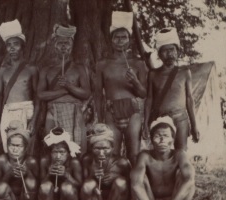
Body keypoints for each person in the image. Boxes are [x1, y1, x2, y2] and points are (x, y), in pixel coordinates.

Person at [94, 11, 147, 165]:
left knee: (134, 154)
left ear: (129, 40)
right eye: (116, 37)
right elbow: (98, 94)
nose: (120, 41)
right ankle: (116, 186)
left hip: (132, 109)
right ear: (111, 40)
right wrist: (100, 118)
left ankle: (134, 186)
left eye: (124, 37)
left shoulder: (138, 63)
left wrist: (136, 82)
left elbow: (143, 94)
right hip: (111, 110)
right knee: (113, 152)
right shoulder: (102, 64)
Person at [131, 116, 195, 200]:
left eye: (166, 136)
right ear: (151, 139)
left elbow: (190, 180)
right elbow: (136, 185)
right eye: (157, 136)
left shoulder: (179, 154)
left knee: (187, 179)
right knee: (138, 178)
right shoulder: (144, 156)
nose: (162, 140)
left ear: (172, 139)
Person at [38, 23, 91, 155]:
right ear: (54, 45)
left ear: (71, 46)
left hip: (74, 111)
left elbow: (86, 93)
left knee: (77, 150)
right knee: (52, 149)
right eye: (60, 43)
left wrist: (69, 85)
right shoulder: (47, 70)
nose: (63, 46)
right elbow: (41, 95)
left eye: (66, 43)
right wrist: (63, 91)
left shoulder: (79, 68)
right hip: (52, 111)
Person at [143, 27, 199, 151]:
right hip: (160, 121)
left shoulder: (185, 72)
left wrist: (194, 125)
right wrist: (146, 124)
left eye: (172, 50)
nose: (170, 54)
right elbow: (149, 99)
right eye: (165, 51)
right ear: (159, 54)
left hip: (180, 120)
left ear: (177, 51)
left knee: (181, 153)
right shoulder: (153, 74)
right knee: (161, 154)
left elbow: (189, 99)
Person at [0, 19, 40, 154]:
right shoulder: (3, 70)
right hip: (8, 111)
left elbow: (37, 97)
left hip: (26, 110)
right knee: (9, 148)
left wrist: (33, 120)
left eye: (16, 44)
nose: (12, 48)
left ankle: (25, 174)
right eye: (9, 45)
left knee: (25, 147)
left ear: (23, 46)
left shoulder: (31, 69)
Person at [80, 124, 130, 200]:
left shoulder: (122, 162)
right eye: (97, 148)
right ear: (91, 148)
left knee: (121, 182)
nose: (101, 153)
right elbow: (82, 185)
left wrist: (115, 177)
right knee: (88, 184)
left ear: (112, 148)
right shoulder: (87, 160)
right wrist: (92, 176)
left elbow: (129, 187)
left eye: (105, 148)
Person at [0, 120, 39, 200]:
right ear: (7, 146)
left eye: (19, 146)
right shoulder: (1, 160)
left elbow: (38, 185)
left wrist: (28, 173)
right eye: (12, 145)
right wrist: (9, 174)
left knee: (31, 181)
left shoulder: (31, 161)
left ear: (26, 148)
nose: (15, 149)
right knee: (1, 187)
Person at [38, 127, 82, 200]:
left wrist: (67, 175)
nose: (58, 156)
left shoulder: (74, 162)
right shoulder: (45, 161)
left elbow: (80, 185)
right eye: (55, 152)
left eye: (62, 152)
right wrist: (49, 174)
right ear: (50, 153)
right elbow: (40, 185)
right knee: (45, 186)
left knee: (67, 186)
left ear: (68, 153)